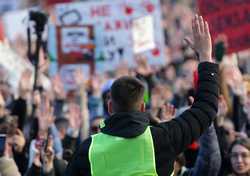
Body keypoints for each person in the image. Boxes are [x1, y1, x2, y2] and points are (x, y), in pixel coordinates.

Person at [64, 15, 219, 176]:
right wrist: (205, 56)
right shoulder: (162, 139)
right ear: (143, 107)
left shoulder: (88, 150)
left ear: (110, 106)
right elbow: (206, 108)